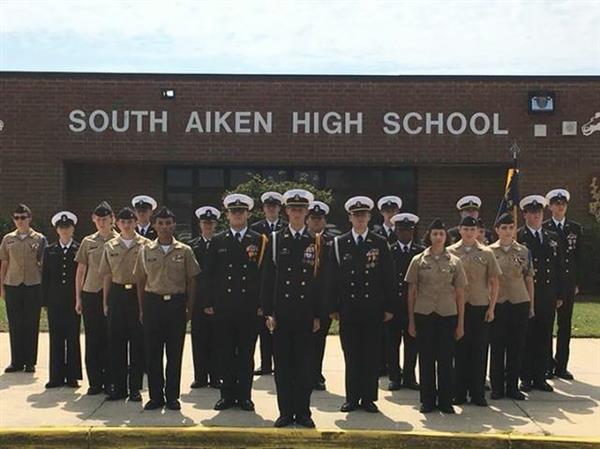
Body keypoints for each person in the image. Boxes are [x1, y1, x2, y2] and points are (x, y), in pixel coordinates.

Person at [261, 189, 325, 428]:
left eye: (301, 209)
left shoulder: (316, 241)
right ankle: (286, 412)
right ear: (286, 211)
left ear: (307, 212)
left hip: (306, 314)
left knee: (305, 366)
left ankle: (303, 412)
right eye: (293, 209)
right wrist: (268, 312)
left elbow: (321, 281)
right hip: (283, 314)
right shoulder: (275, 240)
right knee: (284, 366)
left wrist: (319, 314)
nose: (297, 213)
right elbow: (267, 279)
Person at [328, 196, 396, 414]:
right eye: (356, 215)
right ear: (349, 217)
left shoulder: (379, 243)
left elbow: (389, 277)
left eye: (363, 215)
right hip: (348, 309)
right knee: (352, 355)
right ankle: (351, 398)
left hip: (373, 309)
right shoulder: (339, 243)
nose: (360, 219)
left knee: (370, 355)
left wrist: (389, 307)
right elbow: (332, 279)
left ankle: (368, 398)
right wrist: (333, 307)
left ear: (369, 217)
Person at [203, 194, 265, 412]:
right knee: (225, 353)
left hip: (249, 308)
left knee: (246, 354)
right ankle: (226, 395)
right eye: (233, 211)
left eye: (241, 211)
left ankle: (244, 396)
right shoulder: (218, 240)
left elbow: (263, 275)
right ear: (228, 215)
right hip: (224, 307)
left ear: (248, 213)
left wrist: (262, 304)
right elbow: (208, 274)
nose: (237, 215)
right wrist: (209, 302)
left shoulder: (259, 240)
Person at [134, 207, 200, 411]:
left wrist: (189, 307)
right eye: (160, 223)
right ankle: (155, 397)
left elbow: (192, 280)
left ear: (174, 225)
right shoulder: (145, 250)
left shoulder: (184, 250)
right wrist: (142, 308)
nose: (164, 227)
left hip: (176, 305)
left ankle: (172, 396)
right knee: (153, 354)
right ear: (154, 225)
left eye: (168, 223)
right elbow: (140, 280)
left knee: (174, 354)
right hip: (153, 304)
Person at [406, 218, 467, 414]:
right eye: (435, 234)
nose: (438, 237)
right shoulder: (418, 260)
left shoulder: (455, 262)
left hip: (447, 314)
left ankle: (445, 401)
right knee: (426, 359)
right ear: (429, 236)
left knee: (446, 360)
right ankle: (427, 400)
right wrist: (411, 322)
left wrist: (460, 325)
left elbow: (460, 294)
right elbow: (412, 292)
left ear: (446, 237)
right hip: (424, 314)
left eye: (441, 234)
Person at [448, 216, 501, 407]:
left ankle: (478, 393)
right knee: (459, 351)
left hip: (480, 307)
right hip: (457, 308)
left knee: (479, 352)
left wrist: (492, 307)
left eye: (473, 229)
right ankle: (459, 392)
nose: (470, 233)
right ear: (460, 230)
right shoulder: (450, 252)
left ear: (478, 231)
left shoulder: (486, 253)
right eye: (466, 229)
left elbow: (495, 282)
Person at [99, 207, 149, 402]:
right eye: (123, 222)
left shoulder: (146, 244)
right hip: (117, 295)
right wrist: (105, 302)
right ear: (117, 223)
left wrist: (145, 306)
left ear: (136, 223)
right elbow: (107, 275)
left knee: (137, 344)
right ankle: (119, 388)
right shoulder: (110, 246)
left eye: (130, 222)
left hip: (137, 295)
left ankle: (135, 388)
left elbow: (148, 276)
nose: (126, 225)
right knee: (116, 344)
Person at [517, 195, 565, 393]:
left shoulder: (552, 237)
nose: (535, 216)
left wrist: (560, 294)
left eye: (538, 213)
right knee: (526, 336)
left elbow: (559, 267)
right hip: (527, 294)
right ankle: (525, 377)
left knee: (544, 336)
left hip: (547, 294)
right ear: (525, 214)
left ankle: (540, 376)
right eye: (531, 212)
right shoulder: (519, 237)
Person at [489, 212, 534, 400]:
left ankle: (513, 387)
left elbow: (529, 278)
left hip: (519, 302)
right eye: (504, 228)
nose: (507, 231)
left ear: (515, 229)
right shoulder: (488, 251)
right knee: (497, 346)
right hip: (498, 304)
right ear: (497, 230)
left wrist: (531, 305)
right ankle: (497, 387)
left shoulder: (524, 251)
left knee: (516, 347)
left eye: (511, 228)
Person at [75, 201, 118, 395]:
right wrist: (78, 298)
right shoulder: (87, 242)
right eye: (99, 219)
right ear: (94, 220)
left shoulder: (119, 240)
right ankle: (95, 382)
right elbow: (81, 270)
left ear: (113, 220)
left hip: (112, 295)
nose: (102, 223)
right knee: (93, 339)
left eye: (105, 219)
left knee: (111, 339)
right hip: (91, 293)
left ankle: (111, 381)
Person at [1, 204, 47, 373]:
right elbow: (4, 263)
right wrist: (2, 288)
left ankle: (30, 361)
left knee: (31, 323)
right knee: (15, 324)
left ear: (29, 218)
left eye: (23, 217)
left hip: (33, 285)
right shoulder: (8, 239)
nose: (20, 221)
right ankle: (16, 361)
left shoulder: (39, 239)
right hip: (13, 284)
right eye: (16, 218)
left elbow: (43, 265)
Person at [543, 188, 583, 380]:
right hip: (550, 285)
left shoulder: (575, 228)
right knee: (547, 325)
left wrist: (577, 282)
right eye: (556, 204)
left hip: (567, 285)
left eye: (563, 204)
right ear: (550, 207)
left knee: (565, 326)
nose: (560, 207)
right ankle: (547, 364)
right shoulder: (545, 228)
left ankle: (561, 365)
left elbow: (579, 257)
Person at [41, 211, 82, 388]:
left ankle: (72, 376)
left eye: (68, 227)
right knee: (56, 338)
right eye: (61, 227)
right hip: (55, 301)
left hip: (73, 300)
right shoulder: (50, 250)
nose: (65, 230)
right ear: (57, 230)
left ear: (73, 229)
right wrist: (44, 301)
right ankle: (56, 376)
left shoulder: (79, 249)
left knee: (72, 337)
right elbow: (46, 277)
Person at [386, 213, 424, 391]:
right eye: (401, 230)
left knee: (412, 342)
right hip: (394, 305)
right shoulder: (389, 250)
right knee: (392, 344)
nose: (405, 234)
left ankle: (410, 376)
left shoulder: (420, 252)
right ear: (396, 231)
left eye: (408, 230)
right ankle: (395, 376)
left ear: (413, 231)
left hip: (414, 305)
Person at [251, 191, 286, 376]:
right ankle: (265, 364)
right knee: (263, 325)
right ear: (264, 208)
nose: (271, 209)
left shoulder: (286, 228)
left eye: (274, 206)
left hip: (281, 282)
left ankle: (280, 363)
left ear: (279, 209)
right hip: (261, 282)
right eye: (268, 206)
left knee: (280, 328)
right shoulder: (256, 229)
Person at [190, 206, 221, 389]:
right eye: (204, 223)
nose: (207, 226)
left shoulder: (222, 243)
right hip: (198, 298)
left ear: (215, 224)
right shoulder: (192, 245)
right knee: (199, 338)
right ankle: (200, 376)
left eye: (210, 223)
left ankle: (216, 377)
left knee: (217, 339)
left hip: (217, 299)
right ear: (200, 224)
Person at [373, 195, 402, 377]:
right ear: (381, 213)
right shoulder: (375, 233)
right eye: (386, 211)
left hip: (395, 288)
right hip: (377, 288)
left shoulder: (402, 231)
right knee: (379, 333)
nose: (389, 214)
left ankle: (393, 366)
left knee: (393, 335)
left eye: (392, 211)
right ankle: (379, 365)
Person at [306, 200, 332, 392]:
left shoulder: (332, 242)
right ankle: (304, 373)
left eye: (319, 218)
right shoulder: (300, 239)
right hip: (302, 299)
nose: (316, 222)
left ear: (324, 221)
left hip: (324, 300)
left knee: (319, 339)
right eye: (313, 218)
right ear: (307, 220)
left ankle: (316, 374)